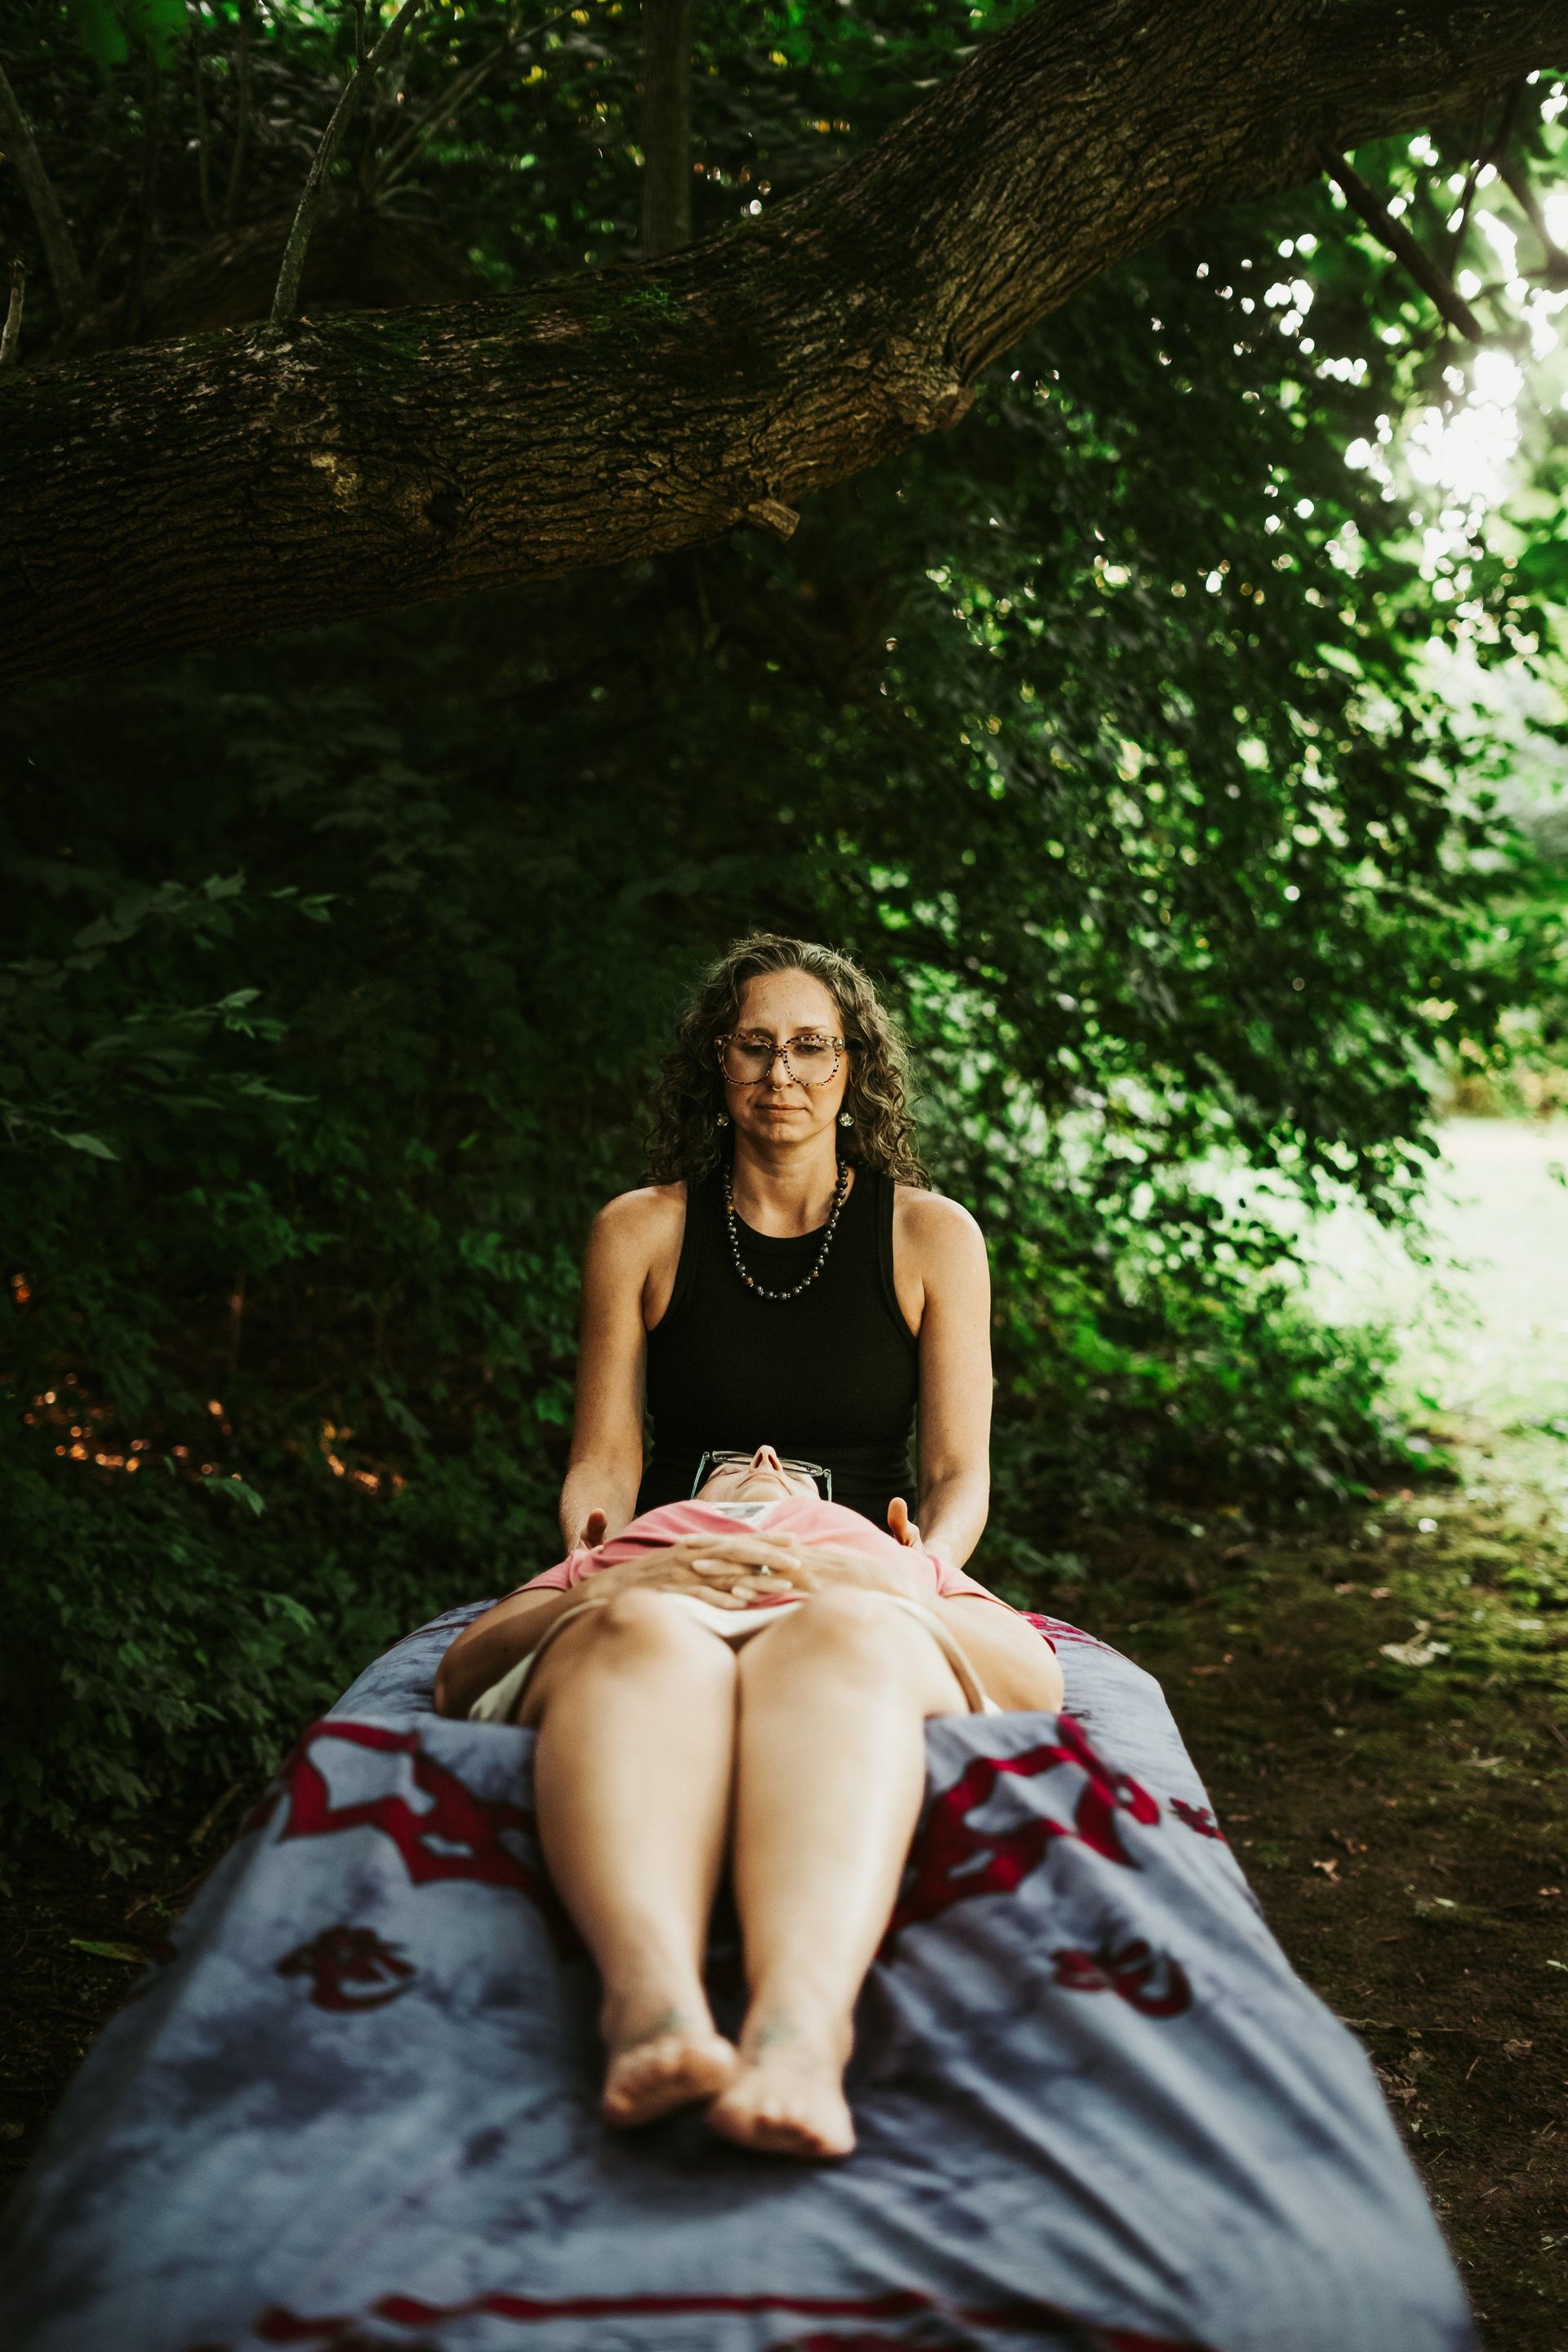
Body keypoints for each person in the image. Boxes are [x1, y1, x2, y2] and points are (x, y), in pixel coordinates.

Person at [434, 1446, 1063, 2162]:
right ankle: (650, 2006)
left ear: (896, 1527)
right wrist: (602, 1589)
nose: (764, 1455)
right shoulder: (625, 1552)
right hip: (651, 1615)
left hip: (855, 1624)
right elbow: (463, 1673)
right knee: (639, 1630)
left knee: (847, 1631)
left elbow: (1034, 1679)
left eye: (799, 1470)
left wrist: (895, 1587)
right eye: (730, 1463)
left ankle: (802, 2032)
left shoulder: (896, 1560)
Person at [559, 934, 991, 1571]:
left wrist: (929, 1568)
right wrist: (592, 1556)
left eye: (812, 1047)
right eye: (755, 1047)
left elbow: (957, 1472)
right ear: (718, 1060)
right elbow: (602, 1461)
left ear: (855, 1063)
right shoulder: (637, 1232)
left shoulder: (934, 1237)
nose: (780, 1075)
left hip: (866, 1575)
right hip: (676, 1567)